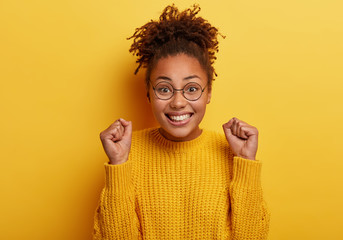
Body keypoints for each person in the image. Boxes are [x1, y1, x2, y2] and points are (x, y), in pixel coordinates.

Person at [93, 4, 270, 240]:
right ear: (148, 93)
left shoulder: (232, 154)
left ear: (208, 93)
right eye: (165, 89)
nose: (178, 102)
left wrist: (246, 162)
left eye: (192, 88)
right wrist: (118, 165)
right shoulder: (126, 154)